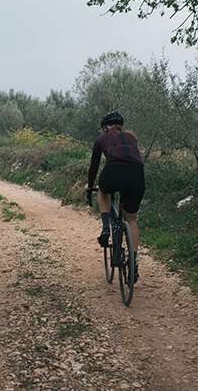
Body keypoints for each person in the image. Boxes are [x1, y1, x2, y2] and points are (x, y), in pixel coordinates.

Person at [85, 111, 145, 281]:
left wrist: (90, 186)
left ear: (104, 128)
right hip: (137, 175)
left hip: (112, 173)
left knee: (103, 191)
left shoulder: (101, 140)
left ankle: (106, 228)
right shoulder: (131, 137)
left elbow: (94, 166)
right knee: (131, 220)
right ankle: (133, 263)